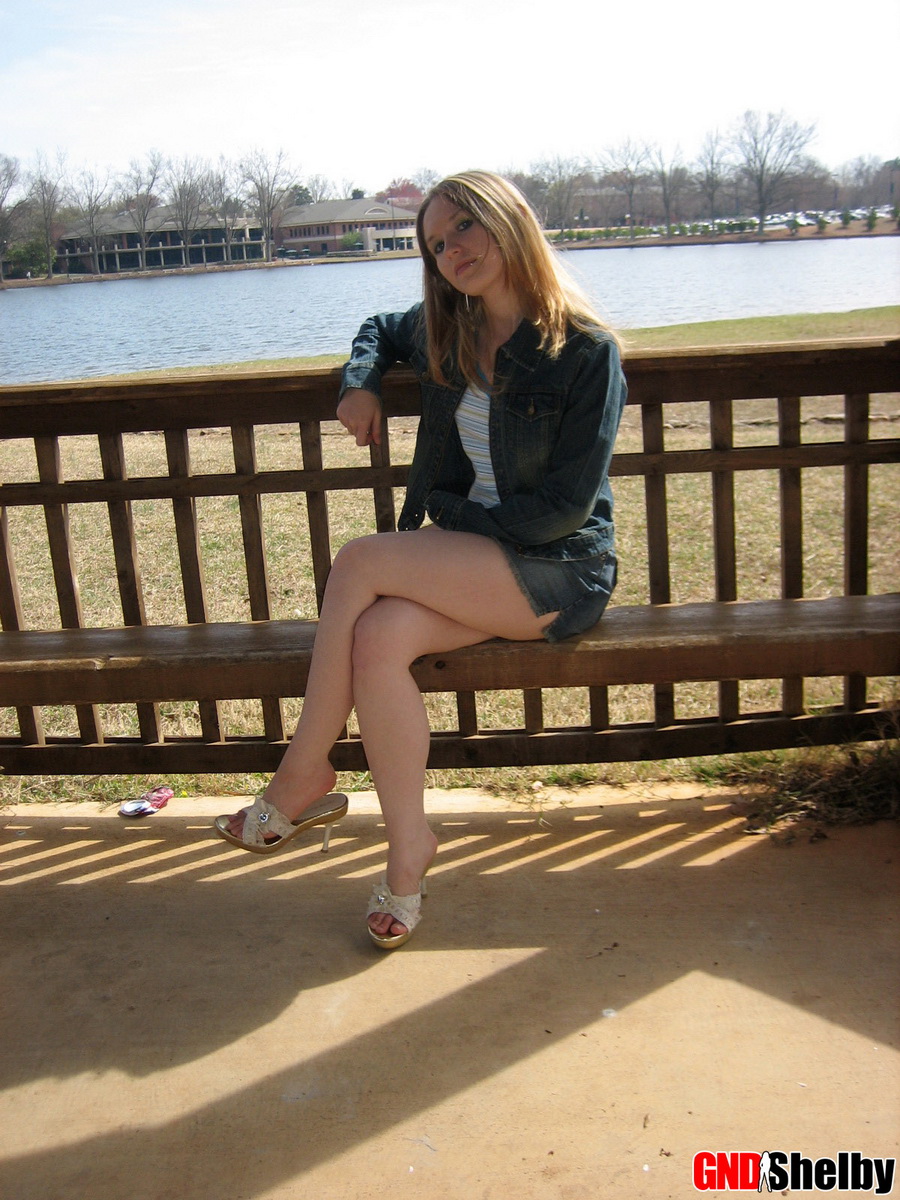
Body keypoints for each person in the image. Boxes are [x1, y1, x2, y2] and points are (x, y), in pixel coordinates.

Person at [215, 170, 627, 949]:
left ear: (507, 221)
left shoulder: (585, 351)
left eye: (464, 227)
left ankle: (303, 772)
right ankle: (409, 854)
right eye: (436, 244)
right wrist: (360, 384)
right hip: (478, 562)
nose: (452, 251)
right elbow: (377, 327)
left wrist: (457, 524)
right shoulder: (451, 330)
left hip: (560, 567)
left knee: (361, 562)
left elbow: (567, 508)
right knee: (378, 639)